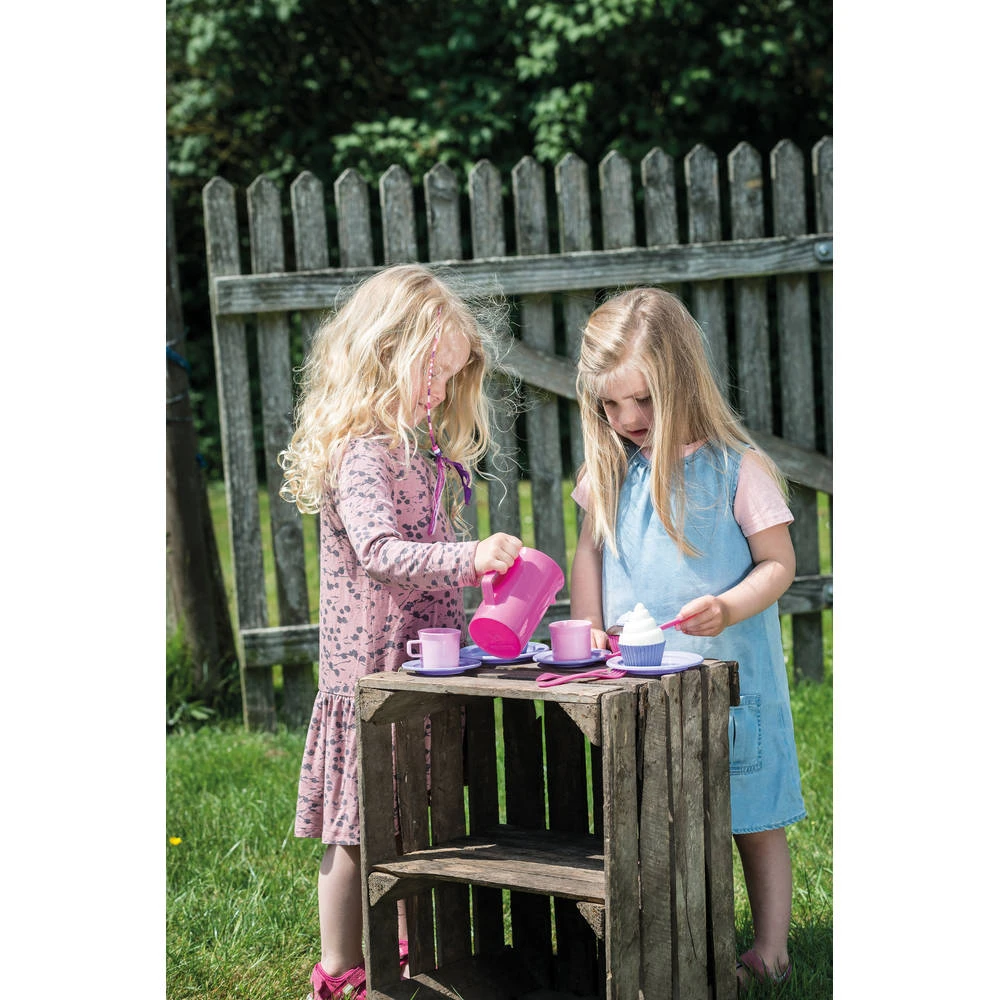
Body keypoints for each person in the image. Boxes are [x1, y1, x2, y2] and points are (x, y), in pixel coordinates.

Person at [279, 263, 523, 1000]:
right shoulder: (362, 451)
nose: (440, 391)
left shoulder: (424, 454)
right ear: (384, 354)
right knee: (356, 827)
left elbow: (429, 559)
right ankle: (338, 966)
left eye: (450, 377)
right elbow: (381, 553)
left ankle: (405, 948)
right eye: (431, 371)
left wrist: (480, 588)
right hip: (372, 677)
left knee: (411, 819)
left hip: (420, 670)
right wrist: (469, 558)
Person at [569, 287, 806, 992]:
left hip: (730, 684)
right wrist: (588, 628)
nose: (626, 419)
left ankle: (770, 949)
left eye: (642, 400)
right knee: (655, 817)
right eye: (610, 405)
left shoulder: (736, 468)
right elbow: (589, 552)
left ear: (680, 379)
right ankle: (672, 937)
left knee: (750, 813)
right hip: (641, 687)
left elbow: (779, 564)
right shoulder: (608, 470)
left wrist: (729, 607)